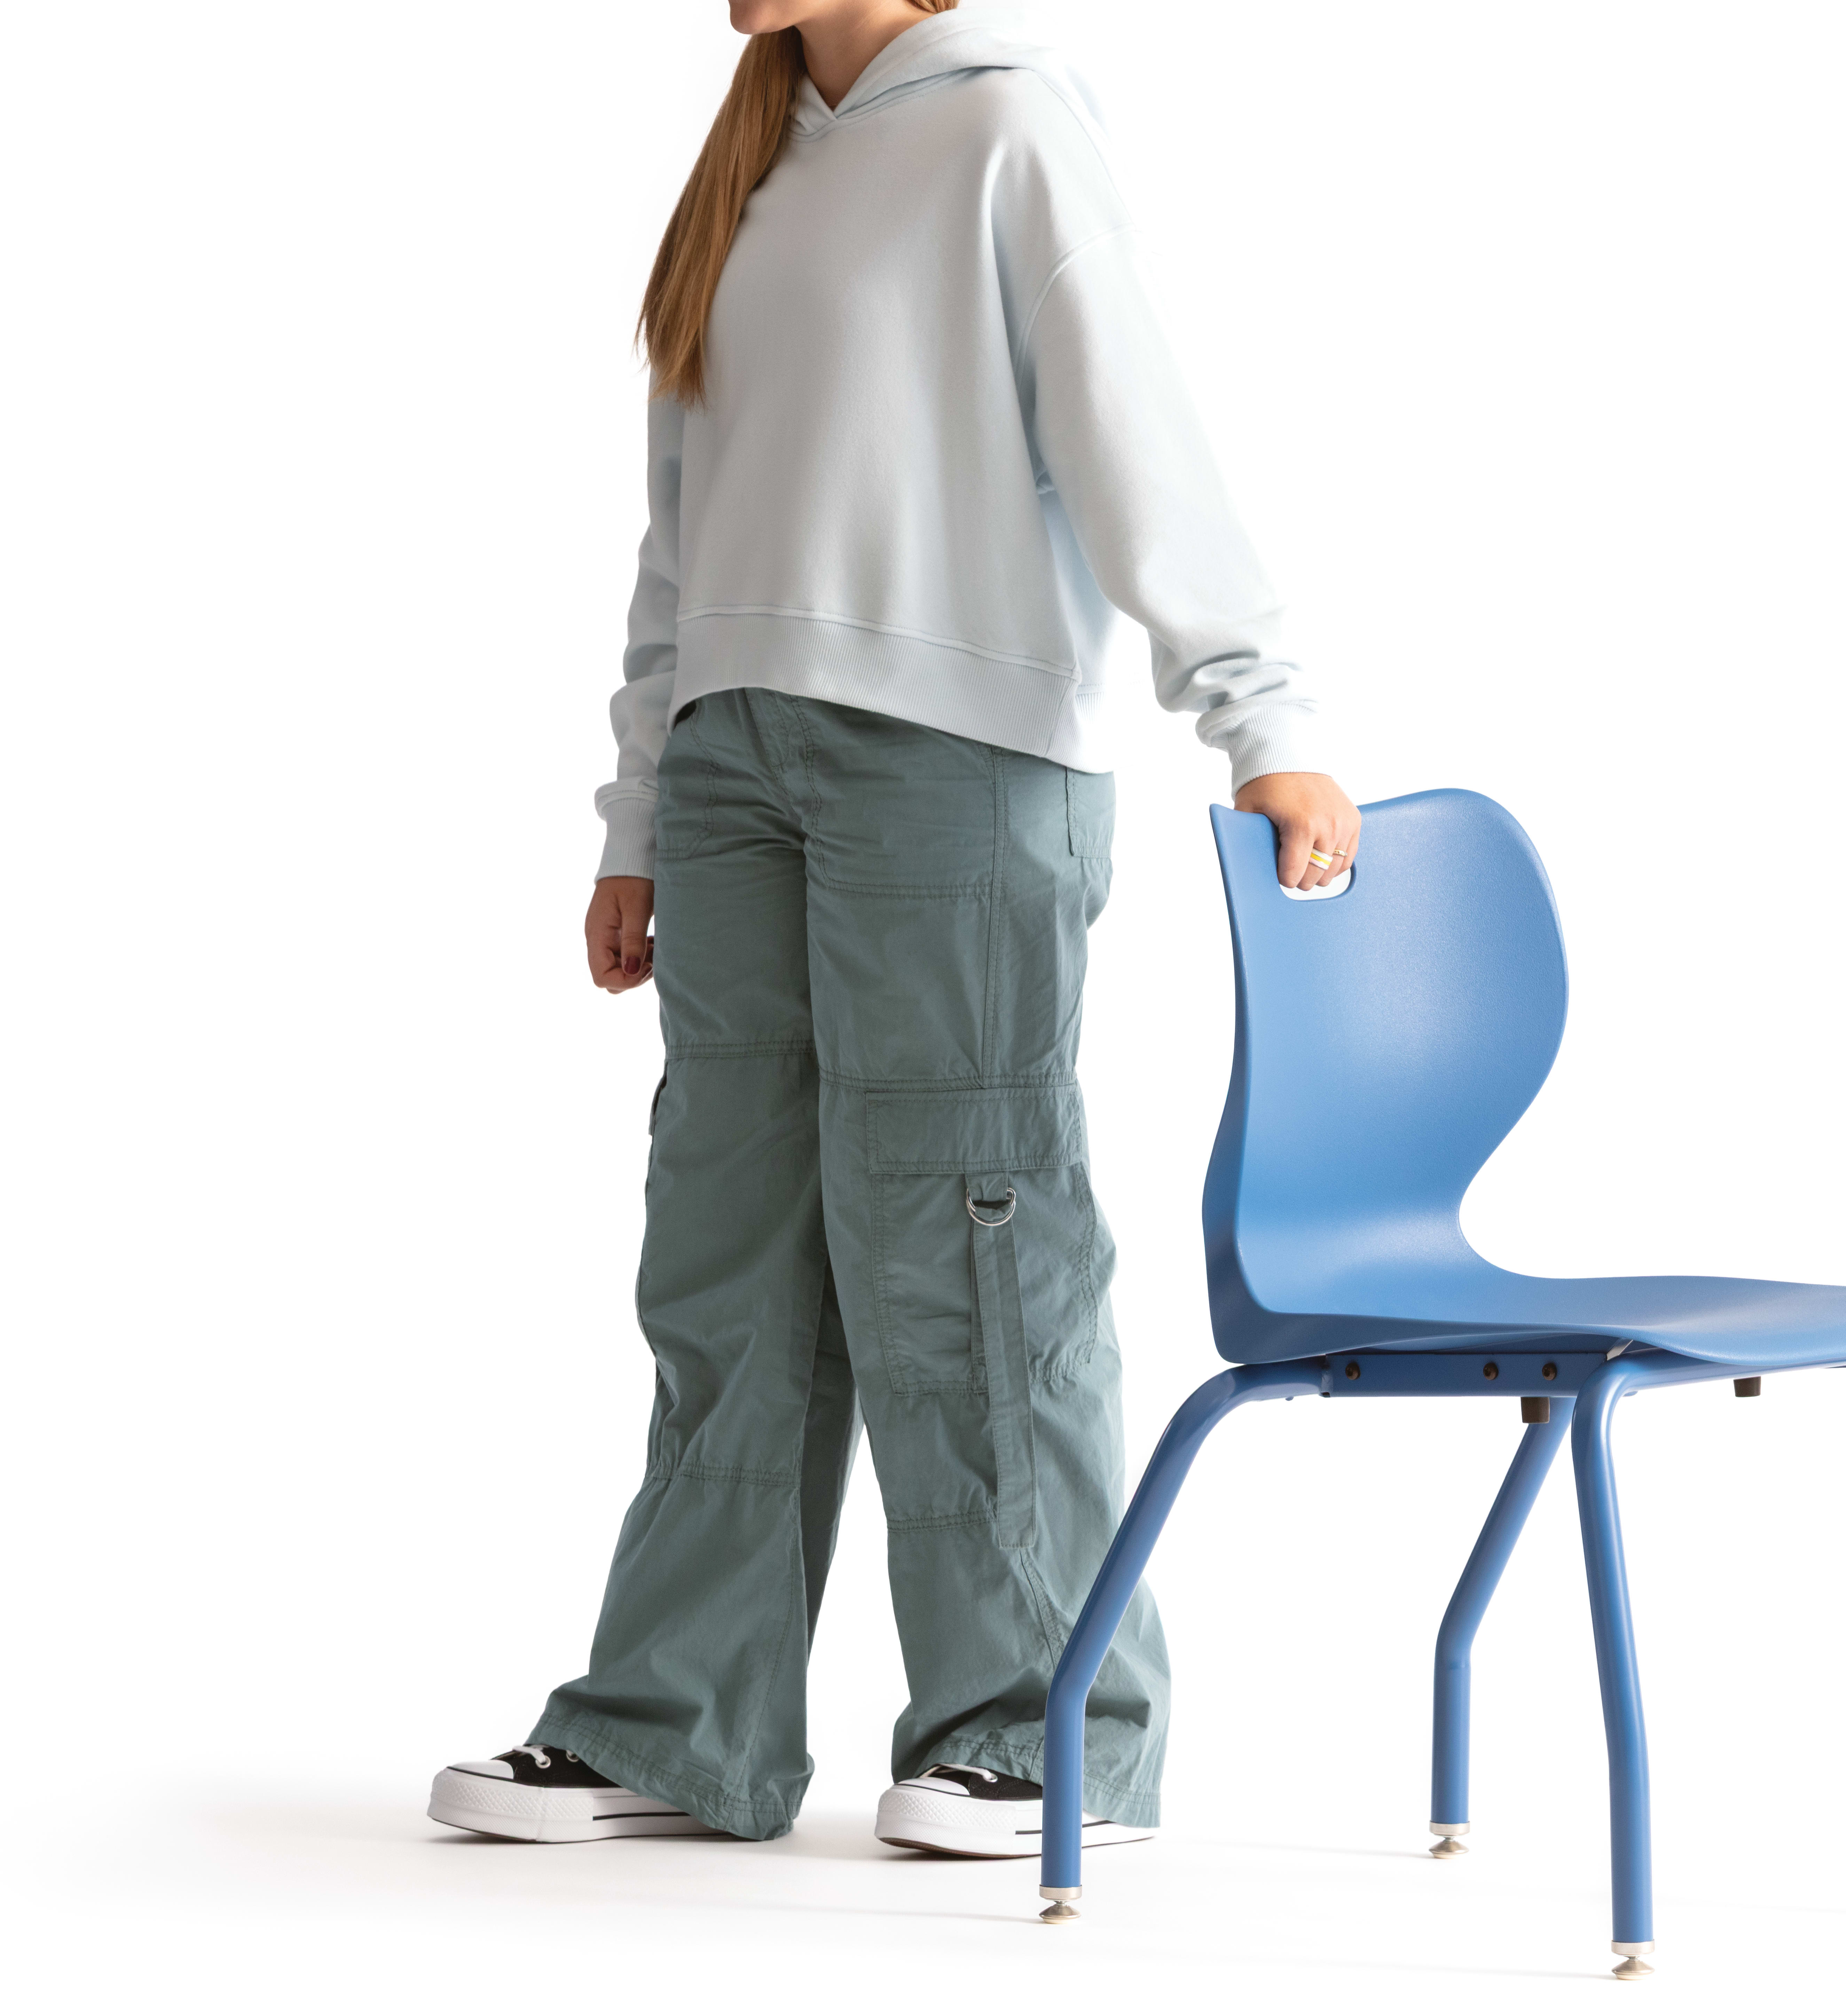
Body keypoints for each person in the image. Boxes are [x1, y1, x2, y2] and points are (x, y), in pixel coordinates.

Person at [427, 0, 1356, 1857]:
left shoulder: (1008, 131)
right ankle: (681, 1722)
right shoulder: (747, 168)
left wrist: (1261, 716)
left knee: (970, 1245)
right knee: (729, 1253)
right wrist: (638, 813)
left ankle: (1051, 1732)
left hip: (956, 757)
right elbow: (680, 536)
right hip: (734, 766)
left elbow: (1136, 436)